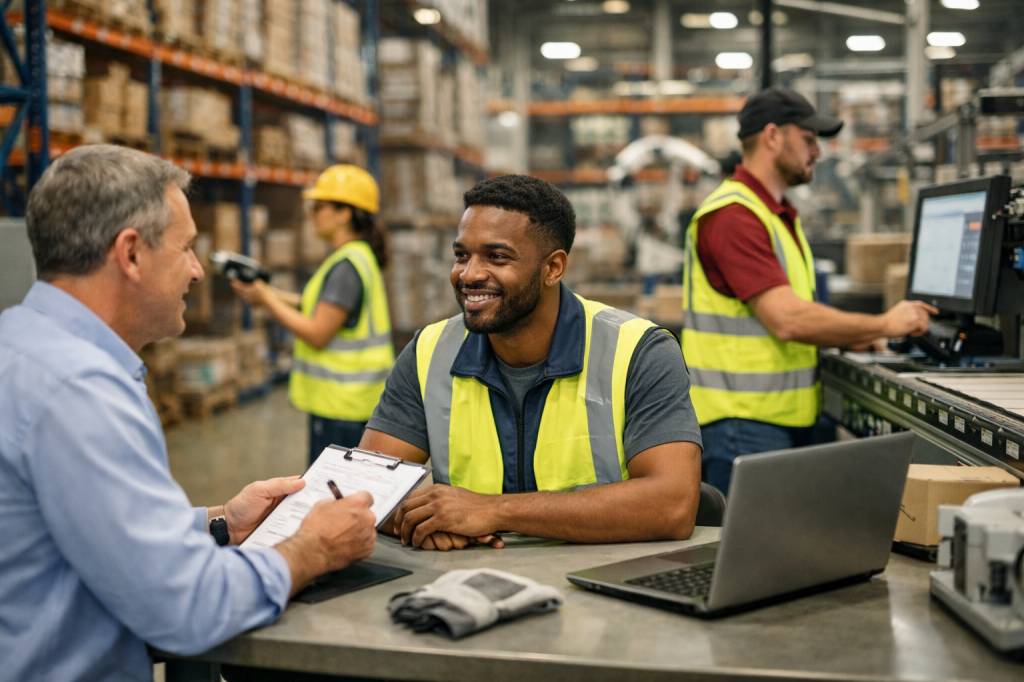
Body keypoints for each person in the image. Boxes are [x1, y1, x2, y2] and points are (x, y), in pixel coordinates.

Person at [0, 145, 377, 681]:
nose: (198, 272)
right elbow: (189, 609)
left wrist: (221, 522)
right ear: (130, 254)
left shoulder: (21, 344)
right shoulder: (80, 392)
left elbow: (99, 531)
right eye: (187, 249)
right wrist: (311, 549)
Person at [358, 174, 703, 551]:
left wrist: (495, 511)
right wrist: (423, 521)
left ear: (553, 268)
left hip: (605, 586)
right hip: (469, 586)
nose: (469, 274)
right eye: (461, 255)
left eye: (497, 256)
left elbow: (672, 506)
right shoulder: (430, 351)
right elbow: (364, 491)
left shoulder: (639, 352)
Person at [681, 87, 936, 493]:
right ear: (773, 136)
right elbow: (787, 319)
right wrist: (885, 324)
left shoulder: (774, 212)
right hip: (743, 423)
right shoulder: (735, 216)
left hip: (779, 418)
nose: (817, 152)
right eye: (809, 139)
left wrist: (857, 335)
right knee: (755, 554)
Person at [232, 165, 394, 465]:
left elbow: (318, 332)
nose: (311, 214)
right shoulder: (357, 257)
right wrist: (266, 293)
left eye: (318, 207)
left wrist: (266, 299)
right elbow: (319, 306)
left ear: (345, 213)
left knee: (334, 495)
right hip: (352, 402)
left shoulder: (346, 265)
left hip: (341, 406)